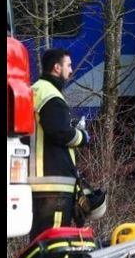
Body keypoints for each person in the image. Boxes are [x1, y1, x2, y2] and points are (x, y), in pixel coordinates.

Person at [28, 49, 91, 240]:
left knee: (40, 240)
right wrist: (83, 137)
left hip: (40, 180)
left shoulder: (36, 90)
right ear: (57, 68)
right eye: (68, 65)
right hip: (53, 183)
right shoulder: (51, 95)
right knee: (51, 240)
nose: (71, 71)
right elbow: (60, 132)